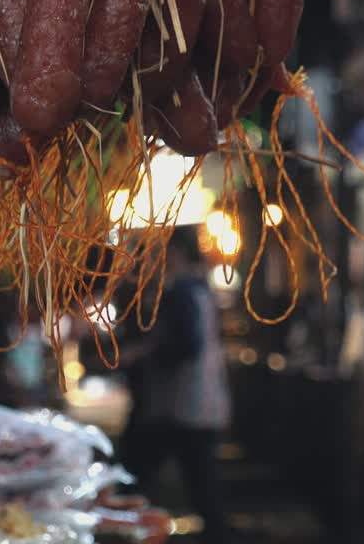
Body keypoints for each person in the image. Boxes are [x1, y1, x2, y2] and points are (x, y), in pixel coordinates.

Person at [119, 225, 230, 544]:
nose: (154, 259)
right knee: (200, 483)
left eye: (158, 251)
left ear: (176, 252)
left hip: (182, 405)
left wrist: (143, 352)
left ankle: (121, 524)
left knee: (141, 470)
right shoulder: (196, 289)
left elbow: (186, 345)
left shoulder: (181, 292)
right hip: (194, 405)